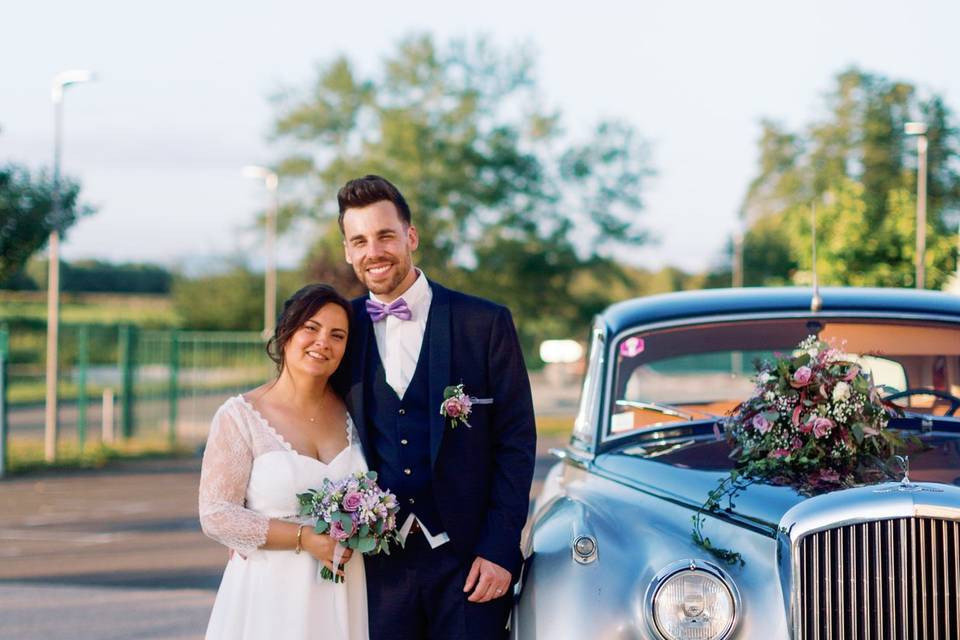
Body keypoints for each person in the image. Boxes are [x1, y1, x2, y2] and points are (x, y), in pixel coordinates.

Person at [338, 175, 537, 639]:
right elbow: (295, 416)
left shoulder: (483, 322)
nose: (374, 251)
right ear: (348, 251)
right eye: (359, 240)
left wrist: (500, 549)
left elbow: (516, 443)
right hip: (375, 571)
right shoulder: (339, 329)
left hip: (470, 565)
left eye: (385, 235)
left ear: (411, 237)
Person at [199, 283, 369, 640]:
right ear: (286, 332)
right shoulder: (240, 415)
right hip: (270, 593)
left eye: (337, 335)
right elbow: (216, 513)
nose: (323, 341)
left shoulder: (357, 413)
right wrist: (304, 538)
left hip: (345, 589)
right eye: (312, 328)